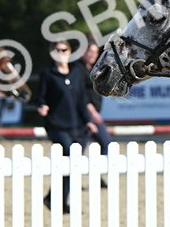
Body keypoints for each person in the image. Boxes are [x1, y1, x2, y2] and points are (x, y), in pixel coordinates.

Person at [35, 40, 97, 213]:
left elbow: (81, 100)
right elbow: (40, 96)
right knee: (70, 155)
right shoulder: (47, 74)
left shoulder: (76, 72)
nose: (60, 53)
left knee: (71, 162)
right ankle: (56, 199)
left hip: (75, 124)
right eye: (57, 50)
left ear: (70, 52)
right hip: (56, 125)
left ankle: (56, 199)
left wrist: (88, 120)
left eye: (64, 50)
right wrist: (42, 106)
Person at [80, 41, 112, 178]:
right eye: (90, 51)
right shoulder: (78, 69)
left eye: (95, 52)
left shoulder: (95, 68)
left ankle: (98, 175)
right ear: (84, 52)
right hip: (84, 115)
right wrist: (92, 112)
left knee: (104, 143)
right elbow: (80, 94)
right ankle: (74, 178)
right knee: (79, 148)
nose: (93, 55)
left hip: (94, 113)